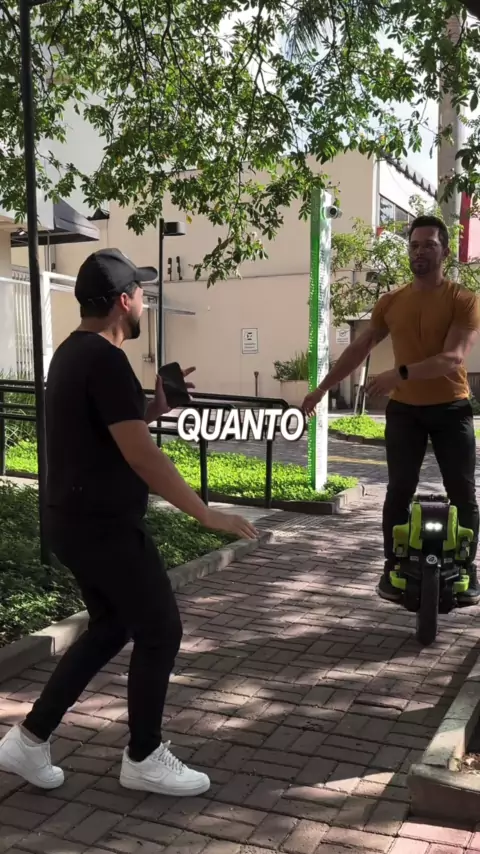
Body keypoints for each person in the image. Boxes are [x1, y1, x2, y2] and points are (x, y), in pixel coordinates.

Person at [0, 248, 258, 795]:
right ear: (123, 301)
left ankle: (29, 739)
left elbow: (108, 433)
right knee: (161, 630)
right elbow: (142, 456)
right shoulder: (107, 360)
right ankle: (143, 756)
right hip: (105, 527)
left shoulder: (72, 353)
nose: (145, 301)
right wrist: (205, 512)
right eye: (141, 293)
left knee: (112, 626)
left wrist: (152, 411)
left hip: (73, 522)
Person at [303, 215, 480, 604]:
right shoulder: (391, 302)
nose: (419, 252)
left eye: (429, 245)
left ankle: (467, 568)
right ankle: (393, 566)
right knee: (399, 489)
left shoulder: (463, 300)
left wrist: (398, 374)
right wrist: (321, 390)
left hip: (452, 408)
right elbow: (358, 349)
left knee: (463, 492)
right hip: (405, 412)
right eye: (414, 245)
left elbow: (452, 358)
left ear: (445, 251)